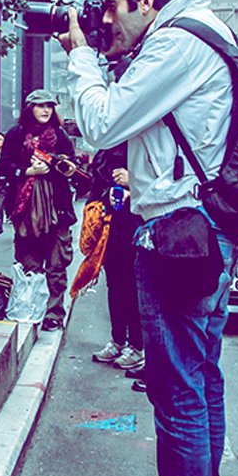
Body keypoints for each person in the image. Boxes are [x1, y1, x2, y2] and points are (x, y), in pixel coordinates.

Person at [60, 0, 238, 476]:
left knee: (178, 388)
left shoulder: (177, 43)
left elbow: (103, 123)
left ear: (147, 1)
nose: (105, 18)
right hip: (203, 230)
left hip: (181, 234)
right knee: (199, 380)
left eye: (113, 5)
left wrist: (81, 57)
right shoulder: (200, 34)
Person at [2, 90, 78, 331]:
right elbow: (5, 166)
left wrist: (63, 166)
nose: (46, 110)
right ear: (29, 108)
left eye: (49, 106)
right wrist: (27, 171)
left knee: (56, 265)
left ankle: (53, 314)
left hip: (57, 210)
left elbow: (73, 166)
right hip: (25, 210)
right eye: (40, 105)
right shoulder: (15, 134)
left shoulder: (60, 135)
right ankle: (30, 307)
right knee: (29, 262)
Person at [88, 142, 144, 371]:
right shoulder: (105, 152)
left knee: (134, 289)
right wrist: (107, 196)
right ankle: (118, 340)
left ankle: (137, 346)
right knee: (115, 287)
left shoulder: (144, 145)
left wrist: (135, 184)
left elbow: (165, 184)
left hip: (139, 228)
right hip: (111, 230)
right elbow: (93, 189)